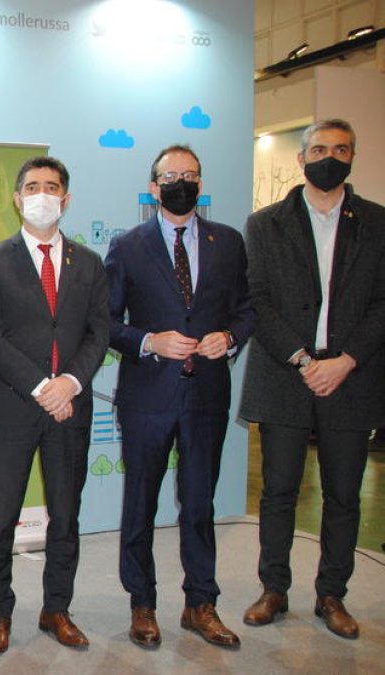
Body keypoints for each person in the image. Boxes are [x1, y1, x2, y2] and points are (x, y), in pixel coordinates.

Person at [240, 118, 385, 640]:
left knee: (343, 494)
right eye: (319, 148)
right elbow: (256, 299)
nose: (330, 156)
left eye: (341, 149)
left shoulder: (378, 222)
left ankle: (332, 595)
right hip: (286, 374)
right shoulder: (265, 224)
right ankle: (273, 589)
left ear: (352, 157)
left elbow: (382, 303)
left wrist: (345, 360)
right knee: (278, 491)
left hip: (352, 376)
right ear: (300, 160)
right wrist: (304, 359)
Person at [105, 145, 255, 649]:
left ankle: (200, 603)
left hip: (207, 394)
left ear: (201, 181)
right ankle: (142, 604)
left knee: (199, 504)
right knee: (140, 503)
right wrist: (149, 341)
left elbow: (247, 309)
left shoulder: (229, 242)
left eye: (190, 175)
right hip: (147, 395)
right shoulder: (128, 245)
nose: (181, 183)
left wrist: (230, 338)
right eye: (171, 176)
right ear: (154, 187)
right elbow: (104, 323)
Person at [0, 156, 108, 655]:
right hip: (12, 405)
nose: (43, 194)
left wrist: (69, 382)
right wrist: (40, 386)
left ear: (66, 199)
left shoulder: (89, 263)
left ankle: (57, 609)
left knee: (66, 515)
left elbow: (100, 332)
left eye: (52, 187)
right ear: (17, 197)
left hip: (70, 407)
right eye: (33, 186)